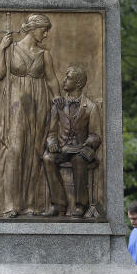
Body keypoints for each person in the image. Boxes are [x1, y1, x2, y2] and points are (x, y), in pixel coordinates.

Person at [0, 13, 61, 218]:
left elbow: (51, 81)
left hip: (39, 104)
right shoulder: (12, 48)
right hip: (15, 104)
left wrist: (58, 101)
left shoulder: (44, 54)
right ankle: (11, 204)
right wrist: (1, 48)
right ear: (33, 29)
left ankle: (31, 203)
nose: (47, 34)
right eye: (44, 30)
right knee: (15, 149)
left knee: (34, 151)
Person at [41, 66, 102, 218]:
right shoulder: (58, 105)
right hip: (62, 150)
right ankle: (59, 204)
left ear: (79, 83)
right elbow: (52, 131)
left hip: (80, 150)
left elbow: (95, 135)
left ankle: (81, 204)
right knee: (48, 158)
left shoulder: (91, 107)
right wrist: (52, 142)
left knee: (79, 160)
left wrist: (87, 146)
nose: (64, 80)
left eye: (68, 78)